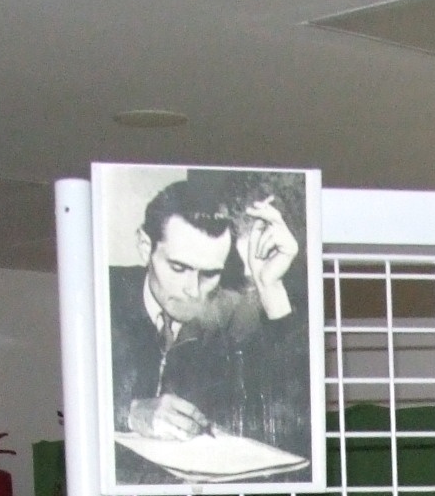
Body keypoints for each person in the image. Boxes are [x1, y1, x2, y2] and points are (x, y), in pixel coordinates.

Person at [108, 172, 310, 478]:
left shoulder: (232, 314)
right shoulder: (101, 297)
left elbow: (294, 414)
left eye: (210, 274)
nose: (193, 290)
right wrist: (129, 412)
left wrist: (271, 288)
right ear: (145, 246)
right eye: (179, 268)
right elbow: (65, 407)